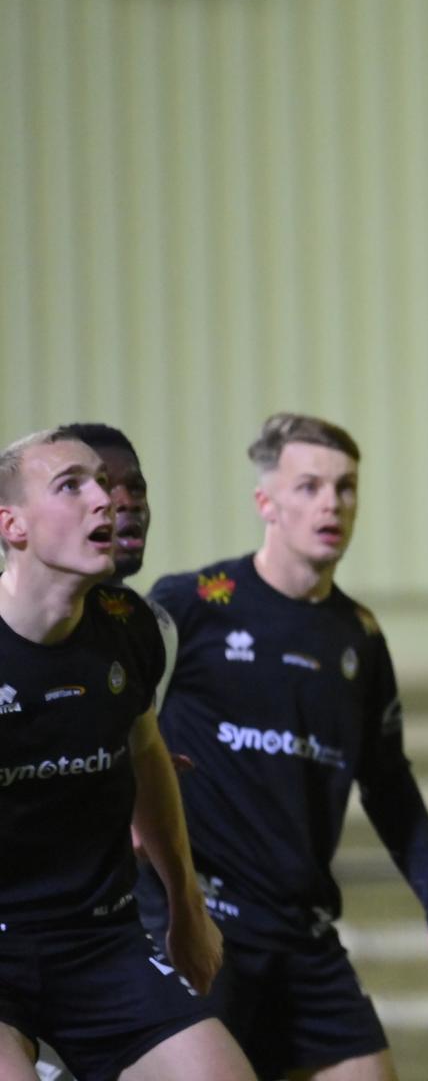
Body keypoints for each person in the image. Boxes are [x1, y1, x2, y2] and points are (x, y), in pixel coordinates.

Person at [137, 413, 428, 1081]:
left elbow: (389, 782)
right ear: (266, 502)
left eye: (346, 488)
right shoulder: (195, 605)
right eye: (309, 487)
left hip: (306, 934)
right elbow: (115, 722)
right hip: (203, 924)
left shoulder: (359, 637)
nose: (332, 503)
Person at [0, 428, 253, 1081]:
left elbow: (147, 756)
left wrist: (187, 911)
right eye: (72, 485)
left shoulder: (130, 627)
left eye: (105, 482)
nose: (105, 499)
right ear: (13, 525)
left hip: (100, 942)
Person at [32, 426, 177, 1081]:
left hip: (118, 910)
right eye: (93, 486)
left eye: (133, 486)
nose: (122, 502)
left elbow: (145, 752)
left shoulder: (145, 626)